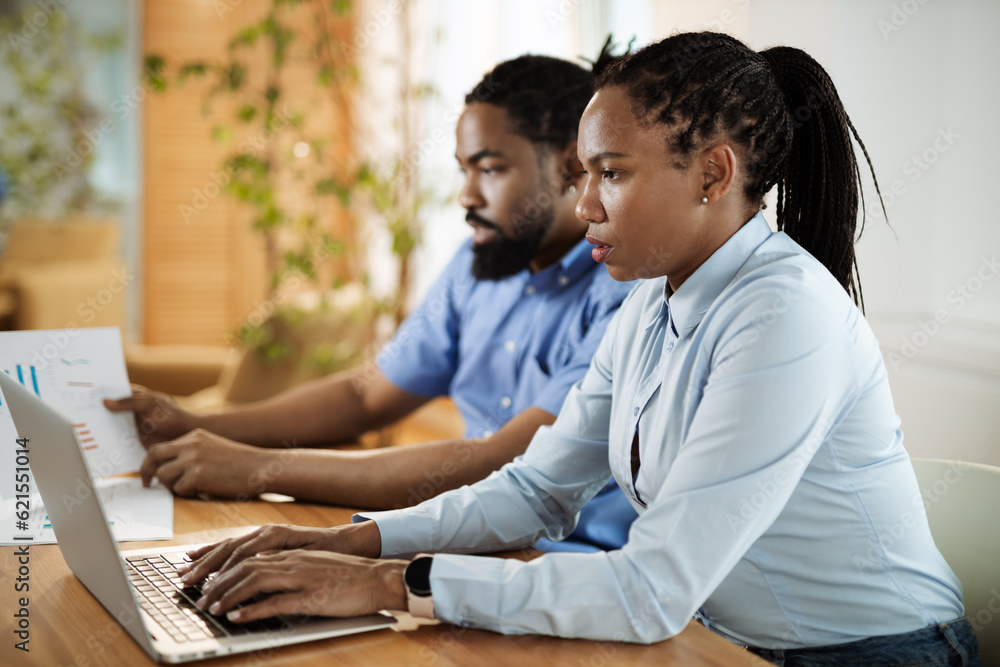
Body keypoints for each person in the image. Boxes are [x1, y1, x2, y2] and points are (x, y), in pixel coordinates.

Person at [172, 32, 979, 665]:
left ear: (713, 174)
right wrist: (344, 540)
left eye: (612, 173)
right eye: (584, 172)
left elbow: (651, 588)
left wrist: (387, 583)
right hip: (721, 640)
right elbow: (533, 490)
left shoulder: (785, 315)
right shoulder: (647, 306)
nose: (584, 201)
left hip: (867, 655)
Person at [106, 47, 639, 551]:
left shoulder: (624, 292)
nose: (467, 197)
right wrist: (194, 424)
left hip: (571, 562)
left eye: (491, 168)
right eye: (463, 170)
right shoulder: (479, 266)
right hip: (471, 540)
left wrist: (254, 469)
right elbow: (364, 397)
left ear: (572, 167)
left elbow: (500, 463)